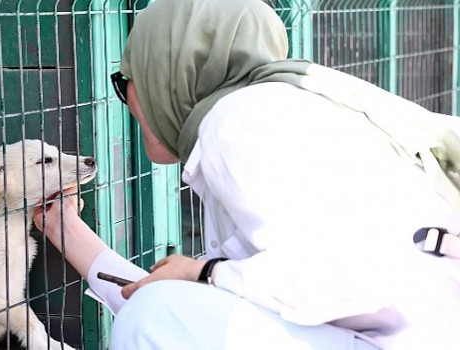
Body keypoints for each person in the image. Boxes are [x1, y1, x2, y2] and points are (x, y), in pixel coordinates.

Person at [34, 0, 460, 348]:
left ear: (171, 72)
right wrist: (62, 225)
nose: (126, 97)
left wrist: (205, 274)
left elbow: (350, 280)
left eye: (127, 78)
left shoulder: (239, 121)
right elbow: (179, 295)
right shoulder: (269, 109)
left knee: (157, 315)